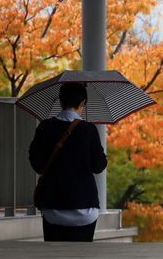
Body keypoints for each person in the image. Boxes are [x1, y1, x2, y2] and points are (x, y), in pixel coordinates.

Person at [29, 82, 107, 242]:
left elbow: (37, 164)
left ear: (60, 100)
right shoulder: (89, 130)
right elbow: (99, 167)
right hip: (85, 209)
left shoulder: (45, 127)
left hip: (53, 208)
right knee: (82, 257)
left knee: (54, 257)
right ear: (83, 102)